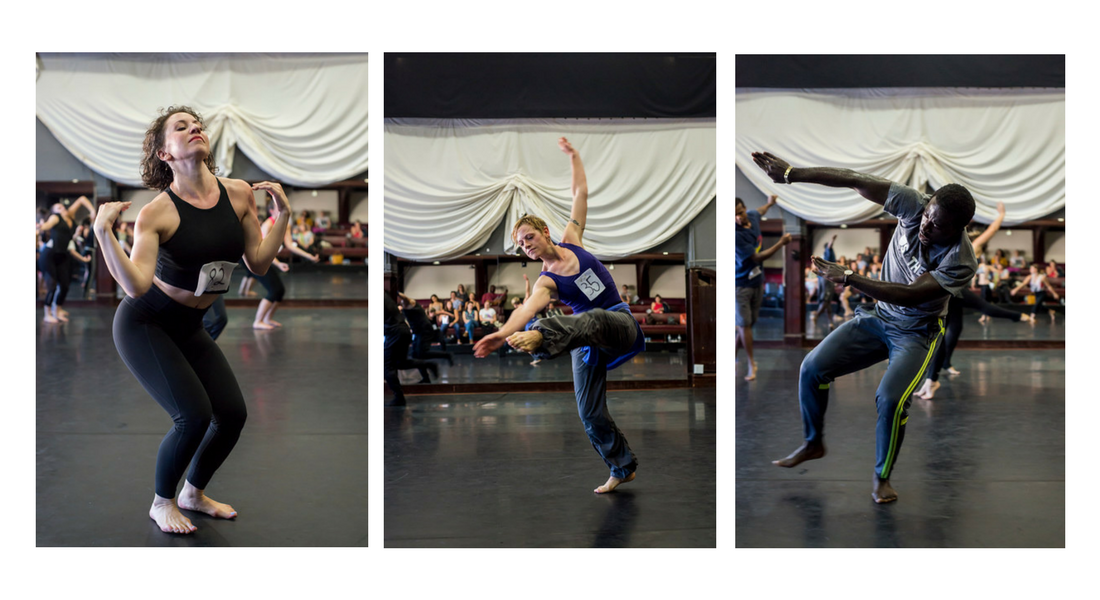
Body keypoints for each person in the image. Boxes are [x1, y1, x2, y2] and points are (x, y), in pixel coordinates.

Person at [94, 106, 291, 534]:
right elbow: (136, 285)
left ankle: (193, 494)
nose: (194, 128)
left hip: (189, 325)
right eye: (180, 127)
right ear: (164, 153)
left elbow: (258, 262)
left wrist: (283, 216)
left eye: (196, 124)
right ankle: (162, 502)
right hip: (146, 322)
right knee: (193, 416)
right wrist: (104, 234)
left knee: (232, 414)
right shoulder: (156, 213)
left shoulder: (238, 194)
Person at [752, 150, 977, 504]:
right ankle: (813, 442)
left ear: (958, 229)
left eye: (937, 226)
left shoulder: (960, 260)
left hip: (916, 333)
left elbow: (909, 296)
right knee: (811, 368)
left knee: (891, 399)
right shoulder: (914, 204)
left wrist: (849, 277)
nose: (926, 226)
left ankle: (881, 476)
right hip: (879, 317)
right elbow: (854, 179)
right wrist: (792, 174)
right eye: (927, 217)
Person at [474, 137, 644, 494]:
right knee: (589, 413)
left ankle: (541, 337)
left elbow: (580, 193)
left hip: (617, 322)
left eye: (529, 237)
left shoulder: (573, 239)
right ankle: (621, 466)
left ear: (544, 232)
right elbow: (526, 308)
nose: (526, 245)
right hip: (583, 339)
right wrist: (502, 334)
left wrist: (575, 156)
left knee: (593, 319)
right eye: (521, 244)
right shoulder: (546, 281)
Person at [735, 194, 792, 381]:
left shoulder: (752, 216)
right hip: (740, 285)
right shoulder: (735, 235)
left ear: (745, 209)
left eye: (740, 212)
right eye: (734, 215)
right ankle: (751, 364)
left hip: (757, 281)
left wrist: (770, 203)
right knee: (744, 325)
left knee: (747, 324)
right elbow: (757, 258)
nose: (738, 218)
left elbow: (760, 211)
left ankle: (732, 355)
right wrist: (780, 243)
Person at [250, 202, 320, 329]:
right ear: (271, 211)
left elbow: (290, 245)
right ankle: (257, 321)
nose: (282, 210)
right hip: (257, 259)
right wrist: (278, 264)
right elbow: (263, 250)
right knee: (274, 290)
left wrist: (308, 256)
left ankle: (267, 319)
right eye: (279, 208)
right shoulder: (268, 225)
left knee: (280, 291)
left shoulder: (286, 224)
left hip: (268, 259)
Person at [37, 196, 96, 323]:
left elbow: (70, 240)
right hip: (49, 256)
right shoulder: (55, 217)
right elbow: (47, 225)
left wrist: (91, 211)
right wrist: (42, 226)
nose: (62, 208)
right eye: (58, 208)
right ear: (54, 212)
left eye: (62, 206)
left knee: (64, 285)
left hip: (63, 255)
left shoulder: (70, 218)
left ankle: (57, 310)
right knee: (52, 286)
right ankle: (47, 314)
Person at [384, 292, 439, 406]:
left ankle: (399, 398)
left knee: (387, 365)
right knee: (400, 363)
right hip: (404, 330)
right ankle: (429, 364)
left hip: (395, 332)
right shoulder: (386, 295)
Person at [811, 233, 840, 323]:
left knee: (827, 301)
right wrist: (832, 240)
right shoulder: (829, 253)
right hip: (827, 279)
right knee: (826, 300)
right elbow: (829, 246)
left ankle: (830, 322)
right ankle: (816, 316)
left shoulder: (823, 255)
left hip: (822, 279)